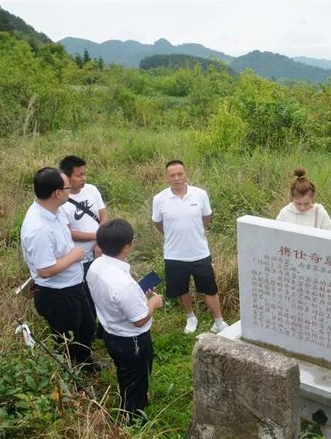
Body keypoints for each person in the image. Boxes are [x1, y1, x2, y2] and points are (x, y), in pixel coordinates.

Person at [20, 167, 97, 370]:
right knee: (68, 341)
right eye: (67, 187)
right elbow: (44, 270)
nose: (70, 189)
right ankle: (74, 379)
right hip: (58, 295)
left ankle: (86, 363)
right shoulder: (38, 228)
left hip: (73, 285)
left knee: (87, 327)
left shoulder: (54, 211)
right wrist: (74, 255)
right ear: (57, 193)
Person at [86, 219, 163, 423]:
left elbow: (116, 300)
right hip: (132, 341)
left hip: (111, 333)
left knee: (125, 372)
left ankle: (130, 398)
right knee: (136, 379)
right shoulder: (122, 283)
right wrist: (153, 302)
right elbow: (138, 320)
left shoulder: (96, 266)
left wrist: (137, 296)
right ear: (127, 246)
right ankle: (133, 420)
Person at [151, 160, 228, 334]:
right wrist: (173, 235)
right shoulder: (159, 199)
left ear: (186, 174)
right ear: (167, 177)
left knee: (210, 288)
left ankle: (219, 322)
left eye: (180, 174)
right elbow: (158, 223)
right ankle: (191, 317)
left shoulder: (200, 194)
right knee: (181, 289)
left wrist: (195, 232)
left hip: (199, 252)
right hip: (174, 254)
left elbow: (206, 218)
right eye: (172, 175)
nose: (177, 178)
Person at [59, 155, 108, 338]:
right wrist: (99, 236)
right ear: (66, 176)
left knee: (104, 289)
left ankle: (105, 326)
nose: (84, 179)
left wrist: (100, 242)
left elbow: (103, 215)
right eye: (79, 175)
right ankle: (90, 329)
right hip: (79, 257)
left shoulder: (92, 190)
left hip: (100, 251)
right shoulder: (61, 200)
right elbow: (68, 232)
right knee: (87, 294)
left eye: (85, 174)